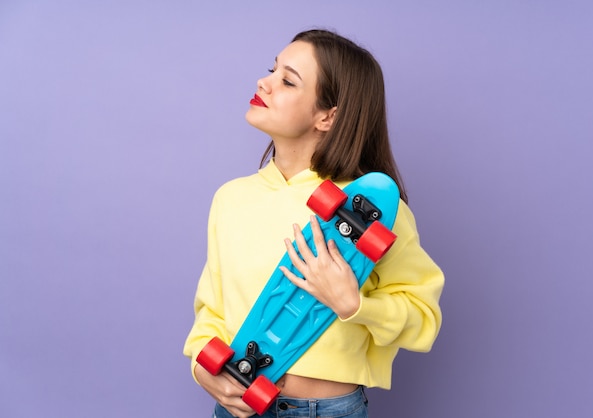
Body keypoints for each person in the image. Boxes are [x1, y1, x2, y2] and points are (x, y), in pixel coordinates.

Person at [183, 29, 444, 418]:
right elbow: (212, 311)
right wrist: (203, 370)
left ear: (328, 115)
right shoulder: (231, 199)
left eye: (287, 80)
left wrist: (353, 305)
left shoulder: (369, 208)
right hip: (239, 408)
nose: (264, 83)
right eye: (271, 70)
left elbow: (423, 316)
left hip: (325, 410)